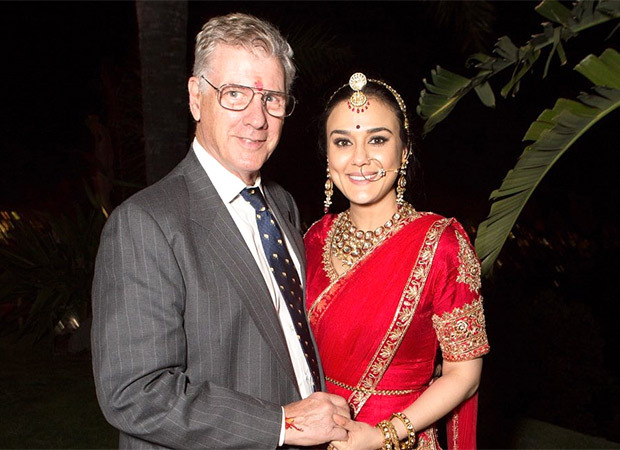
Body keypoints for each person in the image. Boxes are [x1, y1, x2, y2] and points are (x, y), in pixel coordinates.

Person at [91, 13, 349, 449]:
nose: (257, 118)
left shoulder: (281, 205)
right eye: (235, 94)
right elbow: (135, 392)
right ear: (196, 97)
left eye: (271, 98)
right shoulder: (145, 223)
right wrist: (282, 424)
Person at [303, 72, 490, 450]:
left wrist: (382, 434)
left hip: (401, 440)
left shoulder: (442, 245)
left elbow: (464, 375)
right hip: (317, 435)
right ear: (328, 155)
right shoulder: (313, 238)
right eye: (343, 141)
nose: (359, 158)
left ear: (404, 151)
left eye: (377, 139)